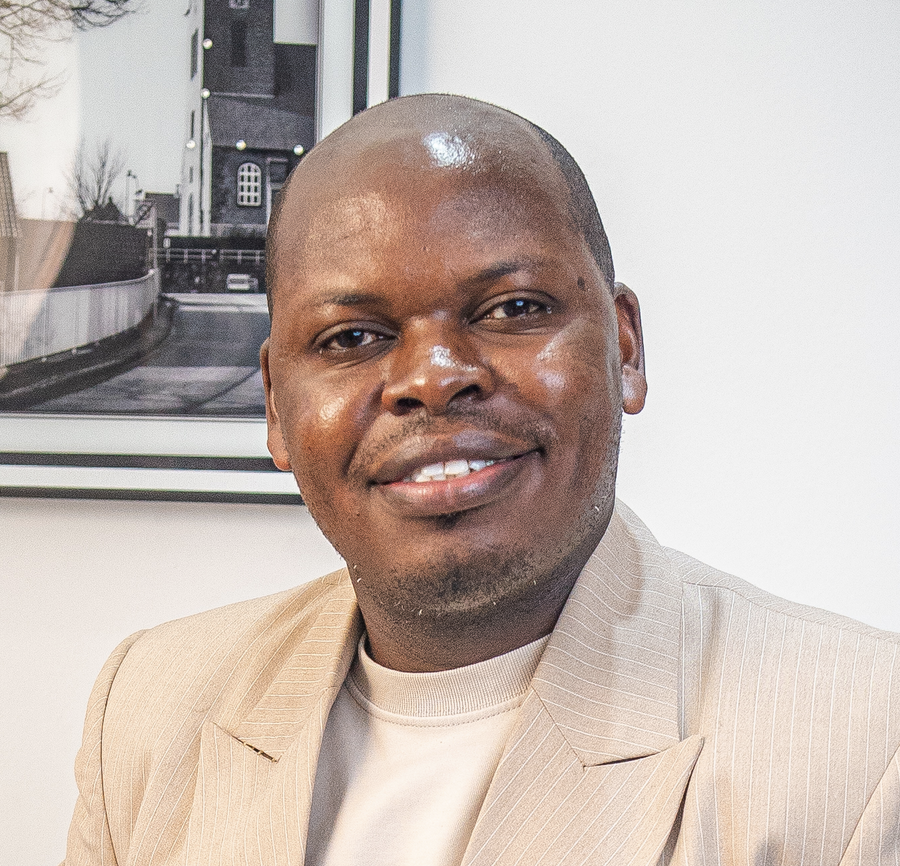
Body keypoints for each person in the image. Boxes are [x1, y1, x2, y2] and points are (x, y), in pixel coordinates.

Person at [64, 94, 900, 866]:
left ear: (624, 349)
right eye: (351, 337)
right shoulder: (150, 704)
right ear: (277, 406)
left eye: (512, 309)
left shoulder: (863, 742)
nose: (432, 378)